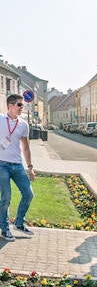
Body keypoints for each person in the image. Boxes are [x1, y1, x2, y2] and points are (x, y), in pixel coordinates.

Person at [0, 94, 35, 241]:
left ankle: (19, 223)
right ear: (10, 105)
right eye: (20, 105)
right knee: (6, 198)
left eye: (22, 105)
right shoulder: (1, 120)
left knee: (28, 194)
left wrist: (30, 167)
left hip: (17, 165)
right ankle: (4, 229)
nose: (22, 107)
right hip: (1, 165)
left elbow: (26, 147)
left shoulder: (23, 124)